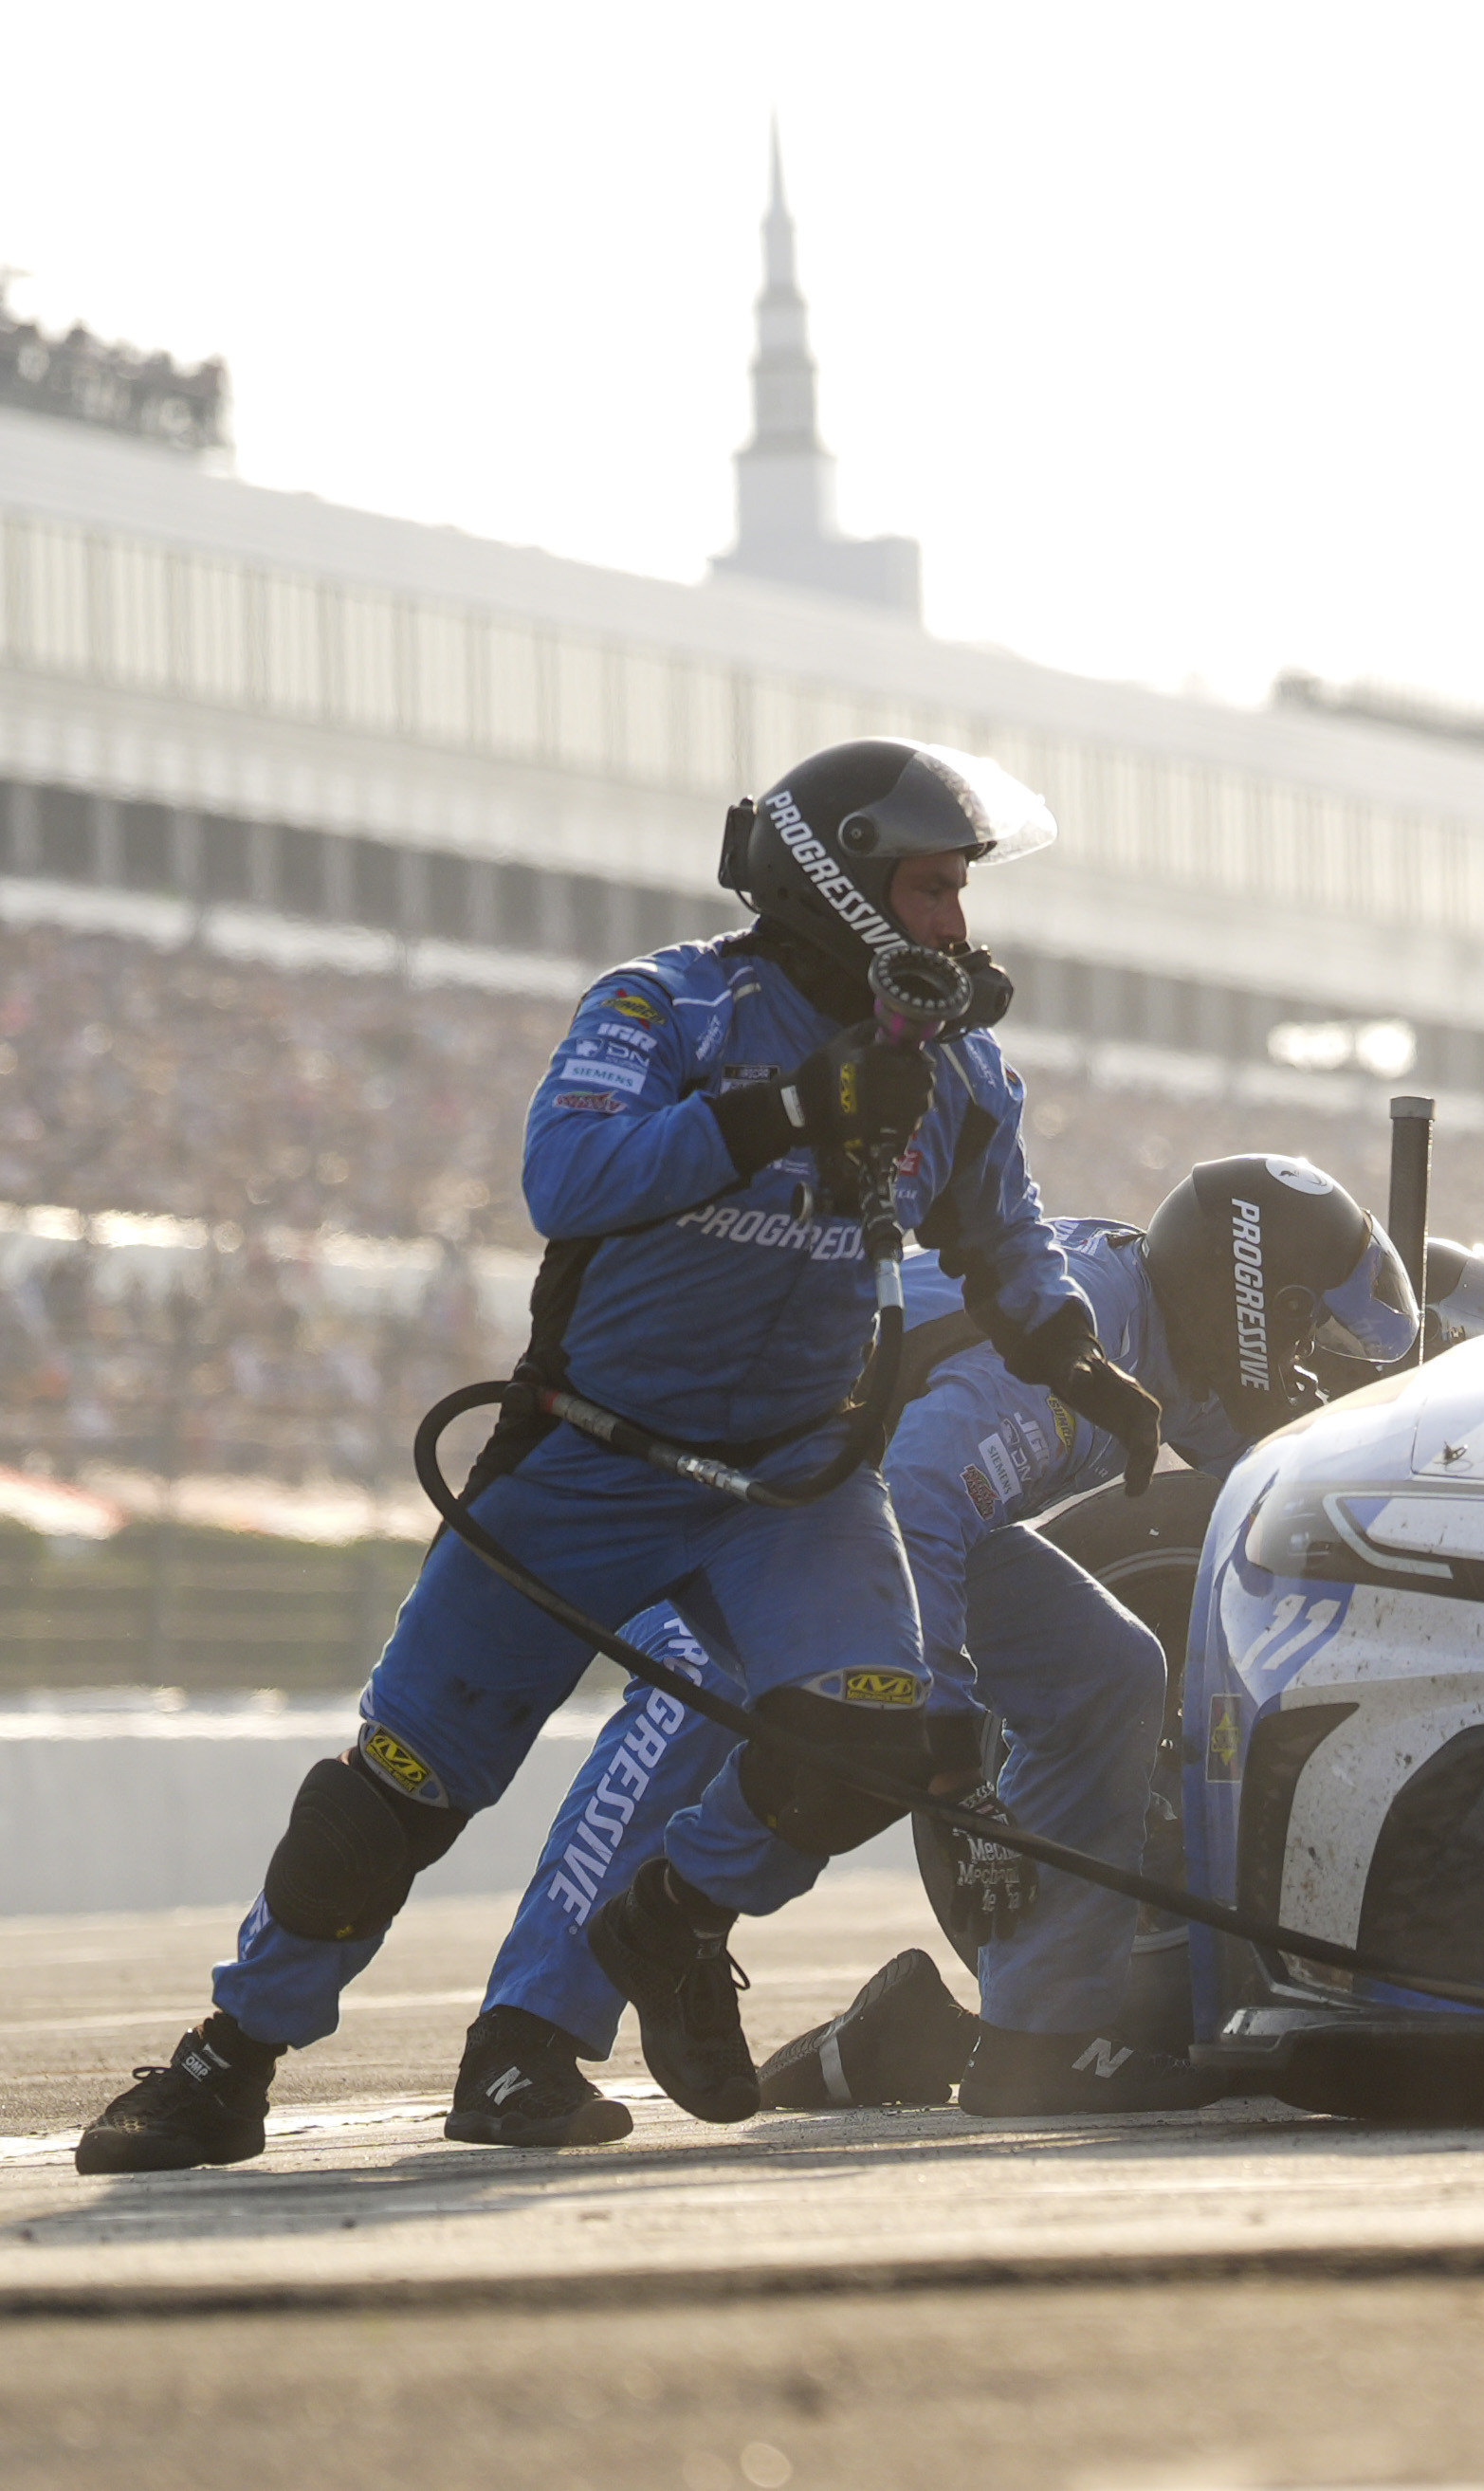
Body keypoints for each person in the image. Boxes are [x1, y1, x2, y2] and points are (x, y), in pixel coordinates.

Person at [76, 741, 1166, 2176]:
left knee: (873, 1735)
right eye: (929, 890)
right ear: (833, 883)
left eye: (961, 893)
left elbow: (1003, 1236)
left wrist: (1070, 1351)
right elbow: (566, 1178)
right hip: (589, 1466)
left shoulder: (957, 1069)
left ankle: (670, 1917)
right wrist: (780, 1113)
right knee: (400, 1790)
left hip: (792, 1485)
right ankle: (230, 2062)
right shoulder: (666, 1004)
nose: (957, 927)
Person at [450, 1155, 1420, 2140]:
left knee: (1106, 1672)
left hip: (869, 1499)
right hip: (733, 1492)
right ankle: (524, 2037)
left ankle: (1038, 2040)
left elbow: (1281, 1459)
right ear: (1249, 1299)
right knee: (716, 1688)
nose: (1308, 1357)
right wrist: (964, 1780)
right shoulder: (1063, 1357)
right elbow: (918, 1510)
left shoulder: (1166, 1324)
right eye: (1302, 1328)